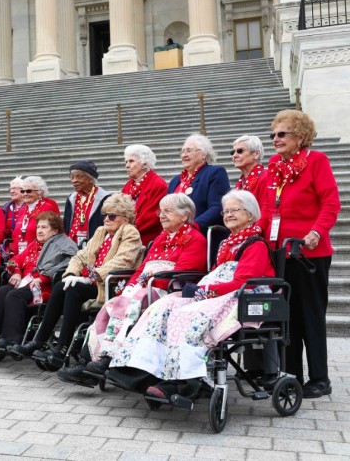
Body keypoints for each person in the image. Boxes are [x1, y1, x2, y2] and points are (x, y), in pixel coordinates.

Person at [107, 190, 276, 398]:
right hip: (219, 292)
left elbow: (242, 283)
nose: (228, 214)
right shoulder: (227, 243)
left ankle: (186, 380)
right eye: (225, 211)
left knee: (187, 315)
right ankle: (142, 368)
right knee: (165, 306)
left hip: (240, 296)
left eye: (235, 210)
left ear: (250, 215)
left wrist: (204, 291)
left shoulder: (256, 244)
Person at [57, 193, 208, 385]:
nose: (161, 215)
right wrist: (129, 288)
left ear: (185, 216)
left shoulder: (195, 239)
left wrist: (146, 283)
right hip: (147, 287)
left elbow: (183, 273)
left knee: (132, 305)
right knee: (114, 304)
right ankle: (88, 361)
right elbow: (142, 269)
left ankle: (108, 359)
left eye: (168, 211)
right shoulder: (161, 238)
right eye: (160, 211)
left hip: (168, 291)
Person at [260, 109, 340, 398]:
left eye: (282, 134)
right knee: (286, 316)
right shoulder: (273, 164)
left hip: (310, 251)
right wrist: (257, 234)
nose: (276, 140)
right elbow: (270, 208)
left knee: (311, 316)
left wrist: (316, 232)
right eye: (273, 135)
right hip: (280, 251)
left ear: (301, 136)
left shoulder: (316, 161)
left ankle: (320, 378)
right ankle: (291, 375)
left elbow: (330, 202)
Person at [11, 194, 143, 361]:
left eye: (112, 216)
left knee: (73, 289)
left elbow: (124, 261)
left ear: (125, 218)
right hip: (94, 283)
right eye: (104, 215)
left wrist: (91, 277)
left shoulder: (130, 232)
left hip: (111, 285)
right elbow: (80, 256)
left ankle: (61, 347)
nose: (106, 219)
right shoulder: (101, 232)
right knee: (62, 285)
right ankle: (40, 341)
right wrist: (72, 274)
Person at [0, 212, 78, 349]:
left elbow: (65, 266)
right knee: (1, 291)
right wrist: (16, 272)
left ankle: (13, 338)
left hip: (44, 285)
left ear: (55, 230)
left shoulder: (63, 244)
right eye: (38, 227)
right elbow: (15, 260)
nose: (39, 230)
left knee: (14, 295)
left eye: (44, 227)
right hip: (25, 281)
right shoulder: (34, 244)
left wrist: (42, 278)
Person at [168, 133, 230, 235]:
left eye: (189, 150)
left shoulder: (214, 173)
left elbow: (217, 206)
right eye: (182, 151)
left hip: (201, 233)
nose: (184, 155)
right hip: (174, 233)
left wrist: (193, 226)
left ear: (204, 154)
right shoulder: (175, 181)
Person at [121, 145, 167, 246]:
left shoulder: (158, 184)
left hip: (148, 239)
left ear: (144, 164)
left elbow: (152, 217)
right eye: (126, 162)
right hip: (127, 236)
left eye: (131, 161)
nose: (127, 165)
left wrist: (127, 230)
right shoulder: (127, 186)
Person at [63, 161, 110, 247]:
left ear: (91, 179)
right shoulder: (71, 199)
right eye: (72, 177)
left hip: (94, 246)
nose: (74, 181)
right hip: (71, 245)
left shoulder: (104, 198)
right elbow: (66, 225)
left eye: (79, 177)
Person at [10, 176, 60, 256]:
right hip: (19, 255)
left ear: (40, 192)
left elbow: (51, 234)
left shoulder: (46, 207)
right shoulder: (22, 210)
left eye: (29, 191)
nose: (25, 194)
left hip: (38, 255)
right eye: (23, 191)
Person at [231, 135, 267, 202]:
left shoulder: (265, 177)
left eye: (240, 151)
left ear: (256, 154)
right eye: (233, 152)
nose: (234, 155)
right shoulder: (242, 181)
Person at [1, 176, 25, 241]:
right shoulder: (6, 208)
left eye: (15, 188)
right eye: (11, 189)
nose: (12, 191)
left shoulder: (29, 207)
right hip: (8, 243)